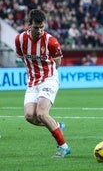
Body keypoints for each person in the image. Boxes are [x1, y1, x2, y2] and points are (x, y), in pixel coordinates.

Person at [14, 9, 71, 158]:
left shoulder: (51, 41)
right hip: (32, 81)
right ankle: (57, 126)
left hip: (49, 78)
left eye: (42, 27)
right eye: (36, 27)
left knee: (41, 113)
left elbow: (58, 61)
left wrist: (49, 75)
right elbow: (21, 57)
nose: (39, 31)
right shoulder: (19, 40)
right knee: (29, 116)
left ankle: (63, 146)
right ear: (29, 25)